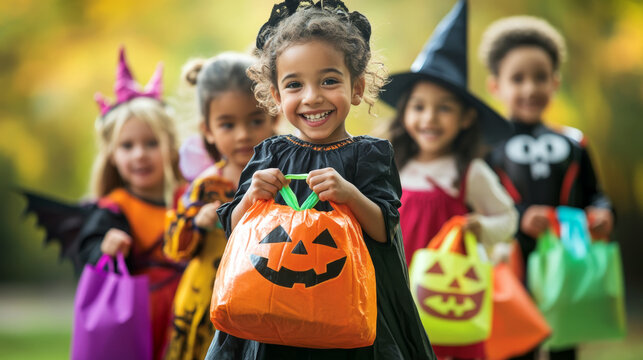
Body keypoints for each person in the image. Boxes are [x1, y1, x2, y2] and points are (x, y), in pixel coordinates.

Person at [205, 1, 435, 359]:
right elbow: (235, 230)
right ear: (278, 96)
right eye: (295, 85)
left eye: (329, 81)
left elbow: (383, 228)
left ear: (356, 88)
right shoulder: (270, 153)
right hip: (274, 320)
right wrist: (251, 196)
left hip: (346, 318)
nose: (312, 97)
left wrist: (350, 195)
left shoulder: (369, 155)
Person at [381, 1, 516, 359]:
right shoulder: (390, 167)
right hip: (398, 293)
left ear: (467, 117)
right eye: (419, 106)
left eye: (444, 108)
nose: (430, 118)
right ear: (405, 111)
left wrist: (481, 228)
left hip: (449, 296)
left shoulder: (468, 173)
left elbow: (508, 218)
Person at [478, 15, 615, 360]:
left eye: (540, 77)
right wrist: (520, 217)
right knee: (517, 348)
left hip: (567, 266)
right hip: (510, 269)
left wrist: (603, 213)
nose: (529, 88)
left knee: (563, 346)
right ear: (495, 85)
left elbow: (594, 192)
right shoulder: (485, 148)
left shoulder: (574, 143)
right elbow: (476, 205)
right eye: (517, 78)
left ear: (555, 82)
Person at [163, 52, 277, 360]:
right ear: (208, 129)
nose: (243, 134)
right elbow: (175, 247)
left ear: (274, 116)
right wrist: (196, 223)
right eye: (228, 125)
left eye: (255, 120)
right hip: (207, 302)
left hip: (265, 299)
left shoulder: (282, 177)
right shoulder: (207, 186)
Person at [75, 47, 185, 360]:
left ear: (171, 148)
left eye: (152, 143)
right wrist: (103, 245)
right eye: (128, 145)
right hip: (139, 318)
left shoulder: (189, 197)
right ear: (111, 154)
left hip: (189, 311)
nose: (140, 154)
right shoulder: (114, 207)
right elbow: (89, 247)